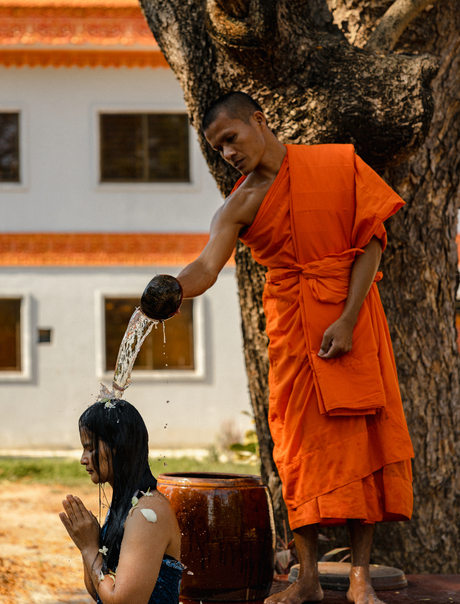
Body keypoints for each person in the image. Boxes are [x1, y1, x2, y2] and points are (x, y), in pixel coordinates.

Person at [174, 91, 414, 604]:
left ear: (259, 121)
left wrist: (348, 319)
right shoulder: (238, 204)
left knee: (362, 443)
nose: (229, 154)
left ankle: (359, 579)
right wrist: (169, 289)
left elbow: (372, 239)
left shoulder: (335, 163)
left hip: (352, 320)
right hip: (292, 331)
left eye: (231, 139)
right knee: (298, 450)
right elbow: (205, 267)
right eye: (218, 150)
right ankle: (306, 578)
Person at [59, 398, 183, 604]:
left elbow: (121, 602)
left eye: (90, 449)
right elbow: (97, 590)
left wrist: (90, 548)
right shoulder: (127, 505)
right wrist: (89, 545)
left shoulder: (147, 512)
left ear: (117, 447)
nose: (83, 459)